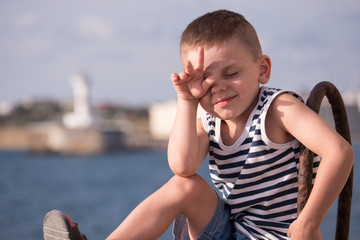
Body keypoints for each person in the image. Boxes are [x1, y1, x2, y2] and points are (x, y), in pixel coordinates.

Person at [43, 9, 354, 240]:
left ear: (262, 69)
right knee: (184, 186)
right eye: (205, 80)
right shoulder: (209, 119)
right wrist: (187, 102)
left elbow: (339, 152)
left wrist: (310, 222)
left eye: (230, 73)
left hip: (281, 236)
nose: (217, 87)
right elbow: (182, 165)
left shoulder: (278, 108)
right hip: (231, 232)